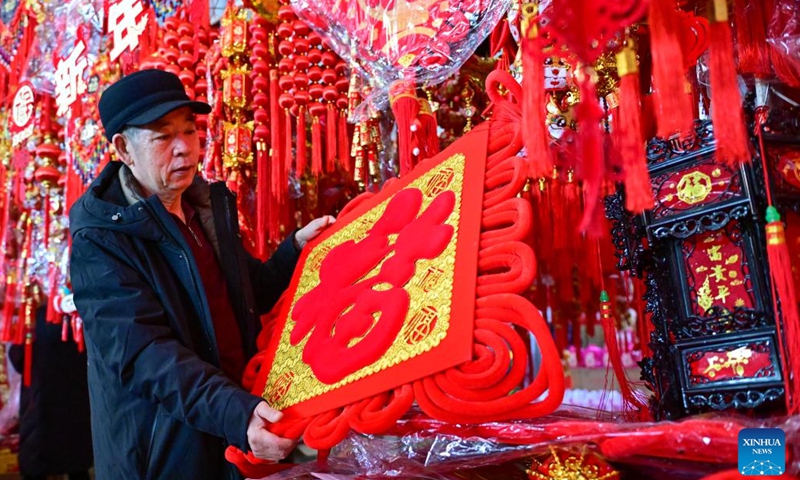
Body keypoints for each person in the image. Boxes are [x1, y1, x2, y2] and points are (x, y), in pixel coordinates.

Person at [69, 69, 334, 480]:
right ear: (123, 148)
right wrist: (234, 412)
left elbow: (249, 294)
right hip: (165, 450)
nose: (184, 149)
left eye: (190, 131)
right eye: (162, 136)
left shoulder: (204, 209)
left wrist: (295, 250)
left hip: (229, 427)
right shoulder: (102, 239)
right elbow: (145, 356)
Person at [9, 304, 93, 480]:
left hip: (40, 406)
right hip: (75, 402)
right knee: (77, 464)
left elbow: (17, 357)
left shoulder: (31, 319)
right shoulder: (78, 317)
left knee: (36, 466)